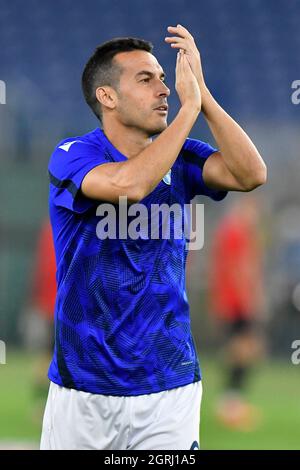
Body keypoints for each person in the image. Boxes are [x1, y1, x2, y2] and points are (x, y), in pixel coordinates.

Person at [40, 24, 267, 450]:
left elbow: (252, 174)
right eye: (146, 79)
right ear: (107, 96)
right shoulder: (72, 155)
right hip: (84, 388)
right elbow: (128, 186)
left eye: (164, 77)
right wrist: (187, 114)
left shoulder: (181, 157)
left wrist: (203, 96)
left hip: (169, 385)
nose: (164, 88)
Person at [208, 196, 266, 430]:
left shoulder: (235, 231)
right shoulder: (236, 232)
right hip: (236, 301)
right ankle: (231, 405)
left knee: (243, 350)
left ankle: (232, 403)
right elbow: (237, 269)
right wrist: (250, 298)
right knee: (244, 350)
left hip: (233, 299)